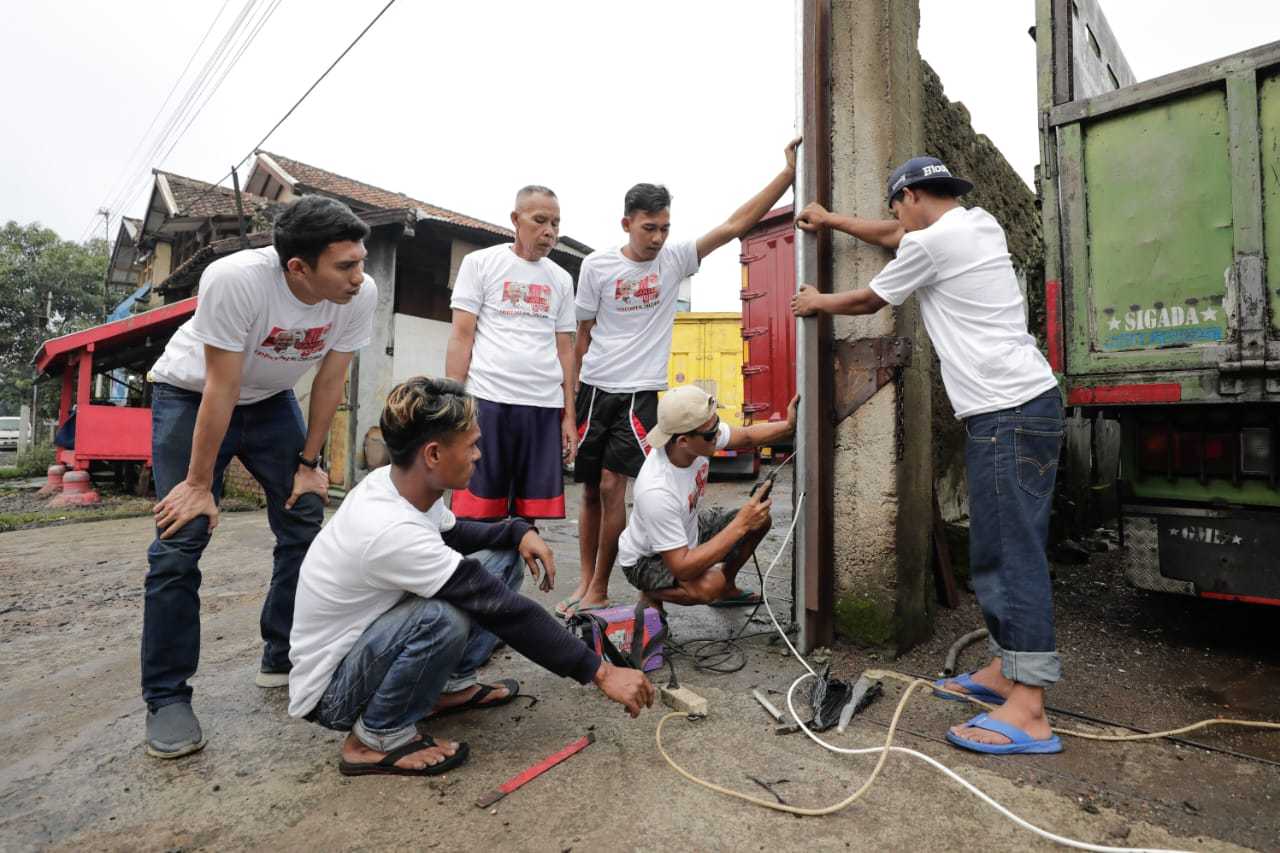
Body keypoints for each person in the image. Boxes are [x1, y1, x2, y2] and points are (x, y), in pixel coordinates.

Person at [792, 156, 1065, 756]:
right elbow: (898, 235)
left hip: (1004, 413)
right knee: (999, 547)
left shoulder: (933, 244)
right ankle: (1004, 670)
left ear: (912, 196)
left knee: (1010, 554)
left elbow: (869, 301)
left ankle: (1030, 709)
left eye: (896, 204)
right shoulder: (977, 223)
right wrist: (833, 218)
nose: (896, 218)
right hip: (1027, 404)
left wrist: (816, 300)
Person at [288, 377, 654, 776]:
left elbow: (455, 533)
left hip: (367, 647)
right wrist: (601, 671)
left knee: (504, 555)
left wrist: (517, 531)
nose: (479, 455)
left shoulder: (396, 484)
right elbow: (501, 609)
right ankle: (375, 738)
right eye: (471, 445)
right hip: (334, 691)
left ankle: (447, 688)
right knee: (444, 615)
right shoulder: (389, 529)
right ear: (433, 454)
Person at [142, 196, 378, 759]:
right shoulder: (235, 280)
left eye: (360, 260)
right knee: (180, 540)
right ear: (298, 267)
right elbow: (221, 387)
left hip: (272, 402)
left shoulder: (356, 295)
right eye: (344, 266)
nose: (359, 275)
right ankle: (167, 696)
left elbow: (329, 382)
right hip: (193, 395)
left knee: (303, 519)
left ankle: (283, 653)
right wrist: (199, 484)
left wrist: (310, 465)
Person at [563, 138, 801, 619]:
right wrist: (569, 408)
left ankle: (601, 588)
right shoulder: (597, 267)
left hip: (639, 393)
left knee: (614, 487)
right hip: (595, 389)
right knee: (589, 489)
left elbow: (735, 225)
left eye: (665, 227)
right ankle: (588, 581)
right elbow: (580, 336)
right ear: (626, 223)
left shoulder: (674, 260)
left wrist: (787, 175)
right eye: (649, 228)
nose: (657, 237)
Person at [445, 186, 577, 521]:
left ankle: (515, 573)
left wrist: (570, 417)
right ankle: (473, 573)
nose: (550, 231)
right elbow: (462, 336)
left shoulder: (560, 279)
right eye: (540, 220)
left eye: (556, 224)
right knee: (476, 511)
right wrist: (452, 403)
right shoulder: (480, 264)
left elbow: (566, 349)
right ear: (516, 220)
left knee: (527, 515)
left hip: (543, 406)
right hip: (488, 400)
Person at [617, 386, 797, 610]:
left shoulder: (700, 437)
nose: (718, 435)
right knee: (711, 585)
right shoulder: (656, 490)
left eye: (717, 425)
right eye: (712, 434)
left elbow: (747, 437)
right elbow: (682, 567)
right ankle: (651, 592)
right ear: (683, 441)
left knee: (760, 521)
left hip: (687, 528)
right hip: (648, 558)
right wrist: (740, 524)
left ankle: (728, 589)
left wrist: (789, 426)